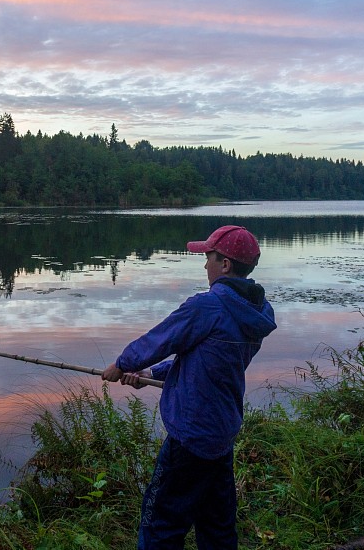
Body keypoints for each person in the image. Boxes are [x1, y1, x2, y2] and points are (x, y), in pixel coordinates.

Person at [102, 224, 276, 550]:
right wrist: (154, 372)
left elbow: (162, 338)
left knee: (160, 526)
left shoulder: (207, 307)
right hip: (221, 435)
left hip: (191, 438)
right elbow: (207, 363)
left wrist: (123, 364)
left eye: (209, 257)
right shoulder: (255, 313)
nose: (204, 264)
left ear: (225, 264)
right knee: (218, 527)